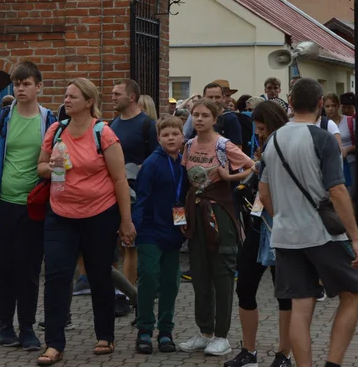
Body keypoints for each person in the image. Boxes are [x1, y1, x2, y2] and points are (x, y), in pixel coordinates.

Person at [259, 77, 358, 367]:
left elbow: (264, 193)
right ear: (321, 104)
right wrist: (356, 238)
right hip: (322, 235)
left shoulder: (273, 140)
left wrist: (282, 215)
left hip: (284, 236)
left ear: (290, 104)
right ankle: (332, 364)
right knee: (354, 294)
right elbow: (337, 190)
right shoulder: (321, 138)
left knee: (300, 306)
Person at [36, 78, 135, 365]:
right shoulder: (56, 130)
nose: (66, 101)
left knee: (99, 275)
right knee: (56, 276)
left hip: (99, 215)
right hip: (60, 213)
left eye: (73, 97)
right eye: (66, 96)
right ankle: (54, 344)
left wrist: (125, 221)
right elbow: (40, 166)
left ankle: (105, 335)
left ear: (89, 102)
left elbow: (119, 179)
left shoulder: (103, 133)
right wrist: (50, 166)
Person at [0, 62, 56, 351]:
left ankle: (28, 326)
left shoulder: (49, 120)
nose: (21, 88)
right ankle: (5, 323)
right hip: (2, 204)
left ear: (39, 86)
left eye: (26, 83)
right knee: (5, 268)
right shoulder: (2, 119)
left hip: (34, 207)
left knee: (30, 268)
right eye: (17, 84)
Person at [178, 98, 255, 358]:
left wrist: (228, 176)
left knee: (222, 275)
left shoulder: (224, 145)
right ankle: (205, 332)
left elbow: (252, 167)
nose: (199, 119)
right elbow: (182, 185)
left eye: (204, 115)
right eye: (195, 115)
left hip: (220, 214)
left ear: (214, 118)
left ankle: (222, 336)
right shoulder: (188, 145)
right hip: (195, 213)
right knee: (199, 274)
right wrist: (180, 218)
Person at [225, 100, 292, 367]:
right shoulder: (266, 148)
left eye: (263, 128)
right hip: (258, 225)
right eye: (257, 129)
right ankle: (248, 351)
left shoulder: (283, 146)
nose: (260, 133)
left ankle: (284, 353)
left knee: (284, 292)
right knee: (245, 287)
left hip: (280, 226)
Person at [132, 116, 188, 355]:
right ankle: (144, 329)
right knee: (149, 278)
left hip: (174, 232)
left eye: (175, 134)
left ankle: (166, 329)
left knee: (170, 283)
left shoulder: (184, 163)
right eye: (166, 135)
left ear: (182, 137)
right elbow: (141, 197)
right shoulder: (152, 163)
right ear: (158, 138)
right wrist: (133, 226)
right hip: (150, 231)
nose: (171, 138)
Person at [109, 78, 157, 312]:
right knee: (117, 244)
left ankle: (126, 296)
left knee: (131, 245)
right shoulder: (112, 124)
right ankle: (123, 293)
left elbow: (155, 159)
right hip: (114, 193)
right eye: (112, 93)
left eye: (118, 93)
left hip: (138, 195)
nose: (113, 96)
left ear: (132, 97)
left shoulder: (147, 125)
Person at [182, 82, 243, 147]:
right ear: (203, 98)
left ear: (223, 98)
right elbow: (185, 140)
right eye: (210, 97)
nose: (214, 100)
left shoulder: (230, 118)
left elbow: (237, 147)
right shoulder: (196, 116)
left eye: (217, 97)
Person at [322, 94, 356, 197]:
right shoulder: (322, 123)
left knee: (350, 194)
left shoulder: (350, 121)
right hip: (331, 165)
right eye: (327, 106)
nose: (331, 109)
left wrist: (347, 150)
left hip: (349, 163)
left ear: (338, 106)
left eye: (333, 106)